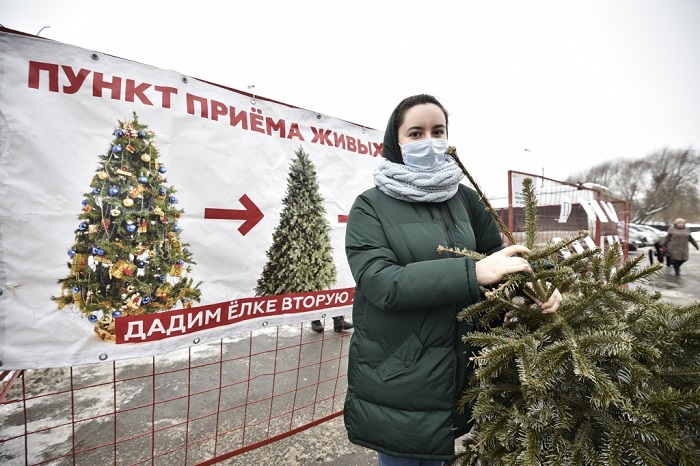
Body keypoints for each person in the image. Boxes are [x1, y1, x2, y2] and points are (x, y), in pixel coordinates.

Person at [342, 94, 562, 465]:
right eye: (416, 133)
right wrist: (471, 273)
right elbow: (380, 282)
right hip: (400, 371)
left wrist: (546, 288)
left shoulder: (464, 199)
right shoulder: (370, 205)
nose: (429, 140)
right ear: (395, 142)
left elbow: (501, 259)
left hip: (459, 369)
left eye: (437, 131)